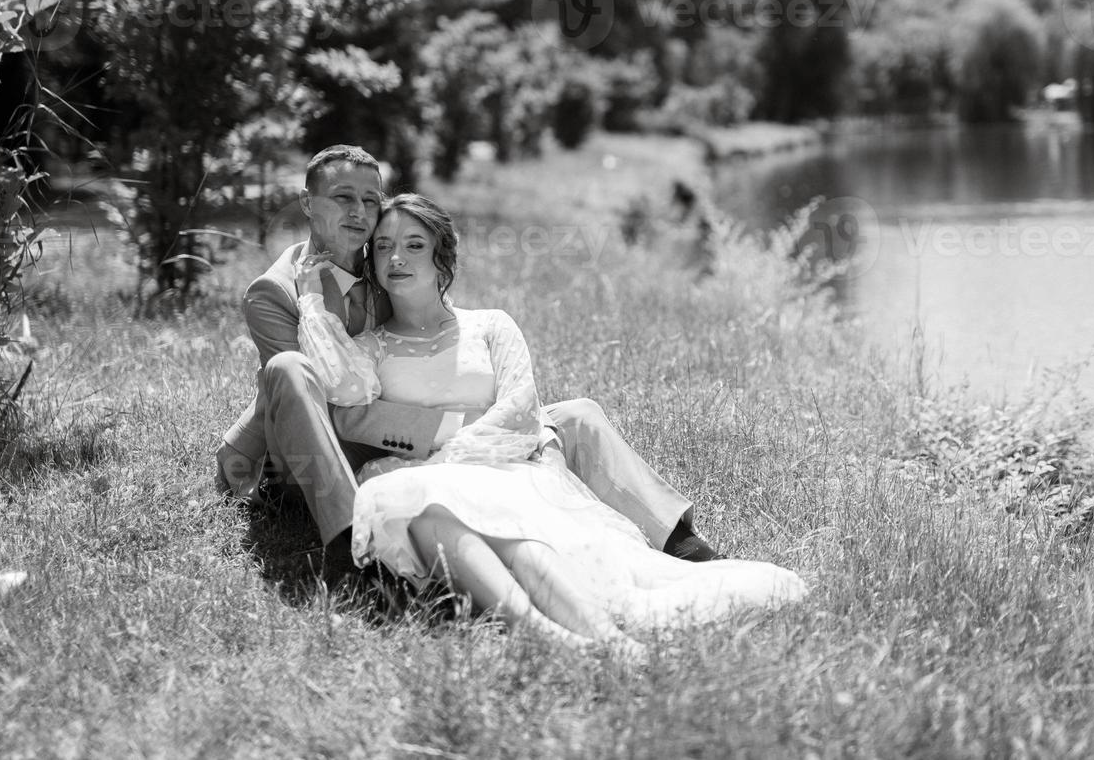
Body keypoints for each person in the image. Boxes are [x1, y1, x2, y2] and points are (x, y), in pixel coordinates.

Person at [297, 193, 805, 653]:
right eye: (383, 247)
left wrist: (459, 448)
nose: (396, 258)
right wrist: (312, 296)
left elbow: (520, 405)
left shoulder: (491, 325)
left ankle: (652, 582)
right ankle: (563, 638)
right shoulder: (371, 348)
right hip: (429, 475)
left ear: (441, 257)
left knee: (536, 517)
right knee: (445, 509)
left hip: (505, 466)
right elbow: (350, 408)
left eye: (413, 244)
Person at [215, 145, 720, 573]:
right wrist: (458, 429)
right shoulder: (274, 292)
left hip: (398, 423)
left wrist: (494, 416)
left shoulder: (380, 267)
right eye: (341, 198)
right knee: (290, 368)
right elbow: (325, 408)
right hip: (312, 452)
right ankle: (347, 543)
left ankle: (678, 537)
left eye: (370, 200)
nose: (358, 213)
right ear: (307, 202)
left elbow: (434, 335)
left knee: (575, 415)